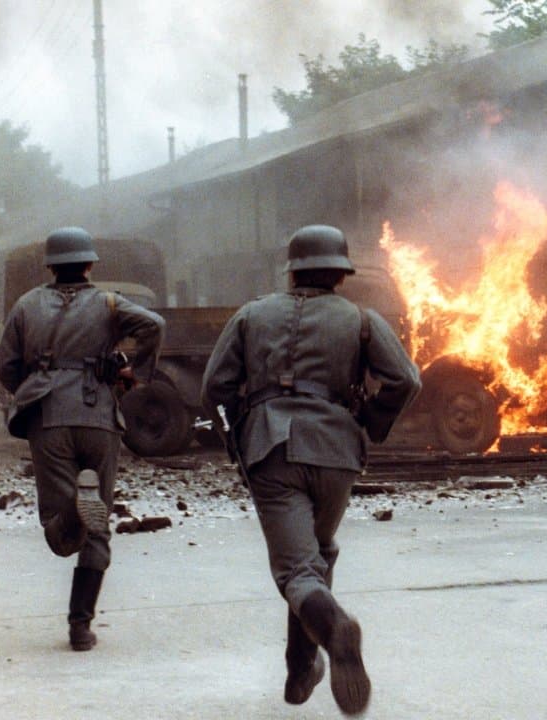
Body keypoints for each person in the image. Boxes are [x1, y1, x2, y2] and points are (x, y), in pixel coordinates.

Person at [201, 224, 420, 716]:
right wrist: (369, 420)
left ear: (292, 270)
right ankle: (301, 668)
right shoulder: (362, 320)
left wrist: (236, 439)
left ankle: (335, 629)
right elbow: (406, 379)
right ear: (341, 273)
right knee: (314, 555)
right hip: (338, 452)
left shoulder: (251, 315)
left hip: (272, 451)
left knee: (297, 569)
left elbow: (214, 388)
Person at [0, 226, 165, 652]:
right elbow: (155, 325)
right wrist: (135, 374)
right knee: (100, 526)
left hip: (49, 418)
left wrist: (33, 390)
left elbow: (5, 367)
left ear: (50, 266)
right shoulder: (108, 302)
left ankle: (73, 510)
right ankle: (80, 627)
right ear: (90, 264)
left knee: (59, 535)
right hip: (98, 416)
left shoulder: (27, 304)